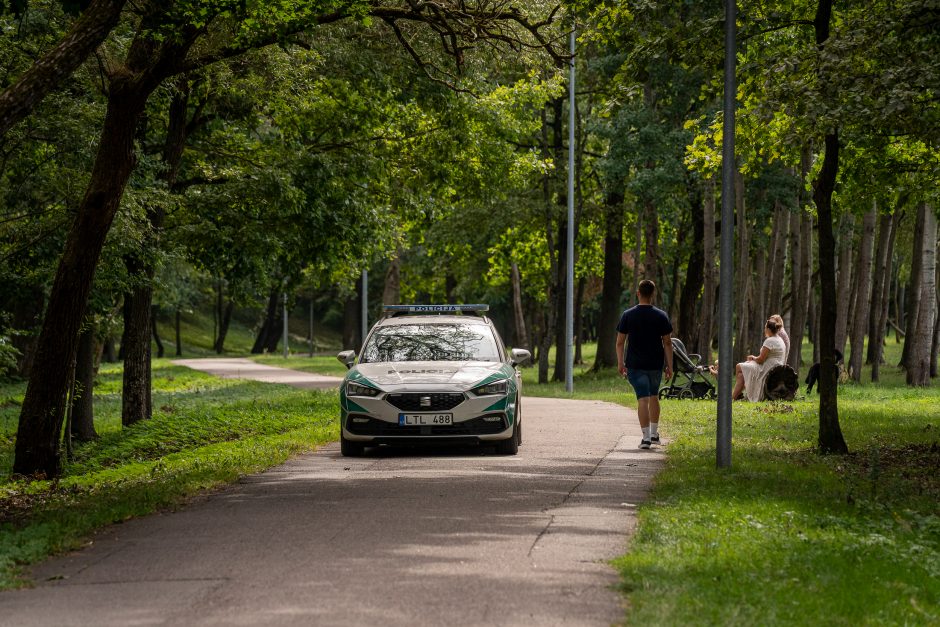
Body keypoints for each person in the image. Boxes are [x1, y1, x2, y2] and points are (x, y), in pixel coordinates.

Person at [616, 280, 674, 449]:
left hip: (635, 364)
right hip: (656, 364)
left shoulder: (628, 315)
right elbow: (668, 343)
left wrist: (620, 362)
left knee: (643, 399)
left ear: (638, 293)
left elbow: (620, 342)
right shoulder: (661, 315)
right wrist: (669, 365)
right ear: (653, 294)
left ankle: (646, 438)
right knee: (654, 396)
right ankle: (654, 434)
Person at [732, 318, 787, 401]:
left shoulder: (770, 341)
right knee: (742, 373)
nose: (764, 330)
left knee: (739, 366)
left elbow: (761, 359)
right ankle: (735, 396)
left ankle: (735, 396)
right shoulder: (779, 339)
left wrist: (753, 358)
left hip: (766, 369)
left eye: (765, 328)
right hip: (774, 367)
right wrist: (753, 359)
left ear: (768, 329)